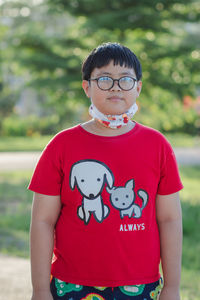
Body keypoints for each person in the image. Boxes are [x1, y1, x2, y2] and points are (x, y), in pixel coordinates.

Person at [29, 42, 183, 300]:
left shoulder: (158, 146)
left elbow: (170, 220)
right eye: (104, 79)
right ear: (86, 86)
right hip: (72, 285)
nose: (115, 86)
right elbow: (42, 222)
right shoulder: (61, 146)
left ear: (138, 87)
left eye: (125, 79)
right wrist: (41, 289)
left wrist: (172, 287)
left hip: (141, 285)